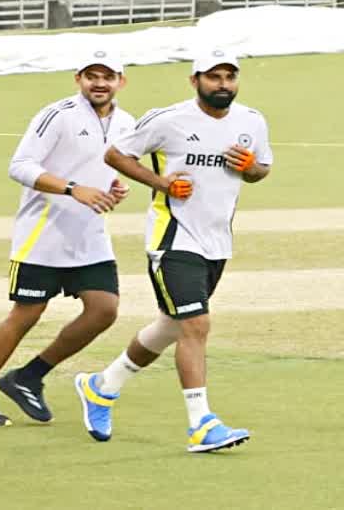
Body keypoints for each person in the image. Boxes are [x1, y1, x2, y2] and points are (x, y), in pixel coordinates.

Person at [74, 50, 272, 453]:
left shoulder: (251, 121)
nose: (222, 84)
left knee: (172, 326)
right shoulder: (169, 119)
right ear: (194, 80)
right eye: (213, 76)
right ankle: (201, 423)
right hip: (173, 239)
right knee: (196, 325)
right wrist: (162, 183)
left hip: (217, 242)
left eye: (229, 76)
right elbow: (116, 154)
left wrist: (251, 166)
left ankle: (101, 386)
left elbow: (260, 171)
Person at [0, 52, 134, 426]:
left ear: (121, 81)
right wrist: (72, 189)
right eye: (91, 76)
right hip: (43, 233)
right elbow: (20, 166)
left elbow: (104, 168)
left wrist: (112, 189)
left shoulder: (127, 122)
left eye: (107, 77)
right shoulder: (58, 114)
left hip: (89, 236)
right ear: (78, 78)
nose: (99, 83)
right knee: (27, 314)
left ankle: (29, 377)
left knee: (104, 310)